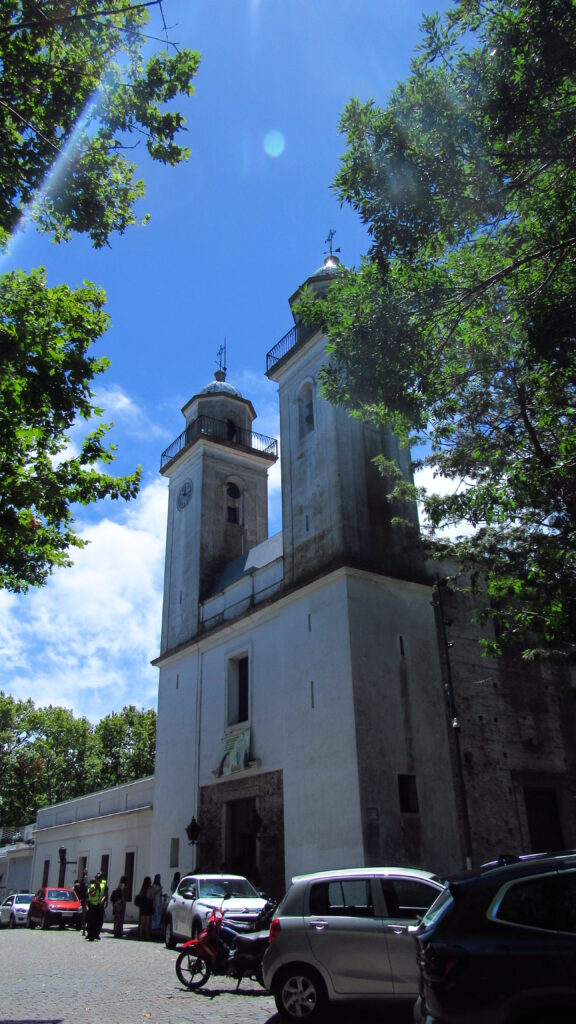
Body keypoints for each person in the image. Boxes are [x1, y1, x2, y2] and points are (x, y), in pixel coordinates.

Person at [137, 876, 153, 940]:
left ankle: (141, 935)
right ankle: (147, 935)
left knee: (142, 922)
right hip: (148, 905)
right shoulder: (150, 888)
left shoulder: (142, 889)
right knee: (147, 922)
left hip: (142, 906)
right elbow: (152, 897)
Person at [77, 867, 89, 936]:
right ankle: (84, 929)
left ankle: (85, 929)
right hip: (85, 900)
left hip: (87, 899)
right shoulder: (83, 881)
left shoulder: (85, 880)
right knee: (84, 916)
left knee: (85, 916)